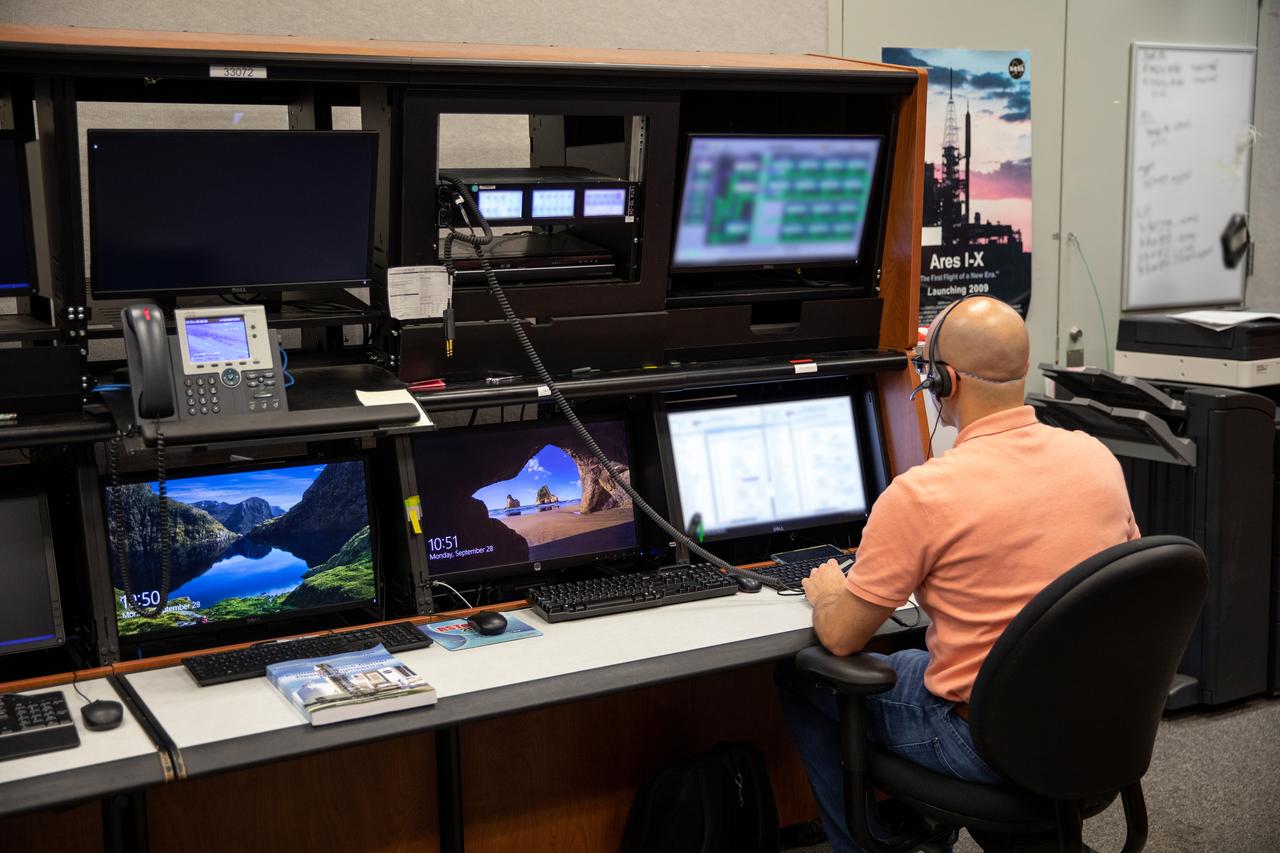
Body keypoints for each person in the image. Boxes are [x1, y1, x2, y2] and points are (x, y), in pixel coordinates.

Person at [776, 296, 1140, 853]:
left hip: (985, 741)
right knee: (922, 655)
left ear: (943, 381)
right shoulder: (1095, 459)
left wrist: (830, 594)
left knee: (803, 676)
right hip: (1093, 727)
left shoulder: (924, 494)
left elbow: (843, 636)